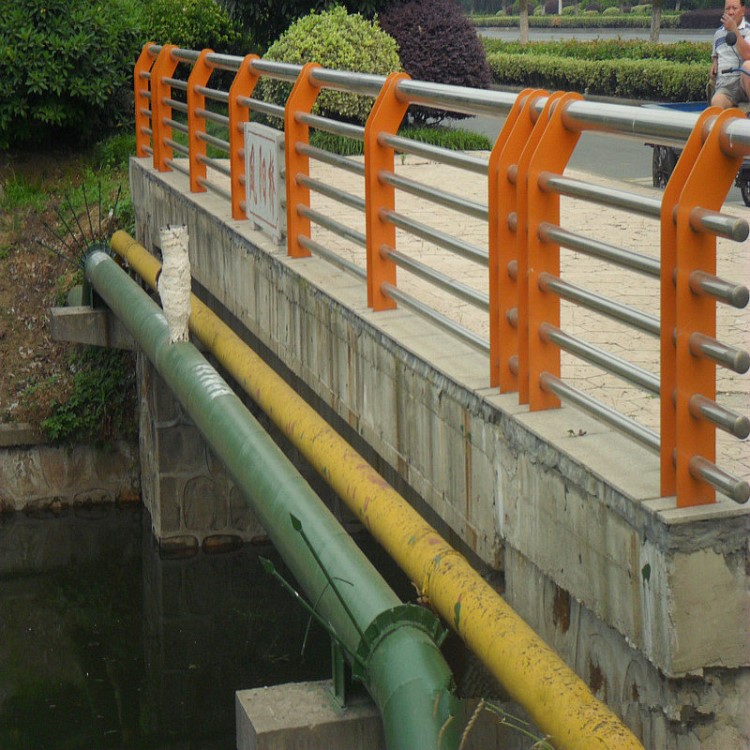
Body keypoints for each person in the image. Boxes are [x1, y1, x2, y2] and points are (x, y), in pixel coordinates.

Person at [710, 0, 750, 108]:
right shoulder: (718, 33)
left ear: (743, 10)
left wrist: (734, 30)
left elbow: (747, 55)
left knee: (748, 66)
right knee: (716, 102)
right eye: (727, 9)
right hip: (726, 86)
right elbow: (715, 55)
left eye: (734, 8)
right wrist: (714, 62)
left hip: (743, 84)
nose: (731, 12)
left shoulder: (748, 30)